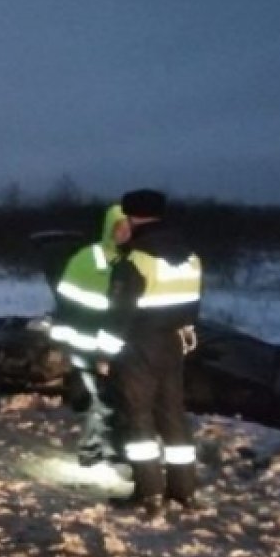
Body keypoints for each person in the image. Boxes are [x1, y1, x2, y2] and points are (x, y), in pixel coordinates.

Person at [104, 189, 203, 519]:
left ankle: (148, 494)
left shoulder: (135, 259)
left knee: (138, 417)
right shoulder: (189, 255)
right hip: (174, 341)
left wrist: (104, 354)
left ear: (130, 217)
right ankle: (184, 492)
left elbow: (119, 312)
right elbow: (191, 304)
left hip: (139, 344)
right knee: (173, 416)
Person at [48, 204, 129, 466]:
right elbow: (65, 304)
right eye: (120, 226)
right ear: (110, 228)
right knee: (103, 399)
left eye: (130, 227)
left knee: (109, 399)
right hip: (87, 343)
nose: (125, 233)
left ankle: (94, 450)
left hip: (117, 345)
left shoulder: (134, 261)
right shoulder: (87, 259)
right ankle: (103, 453)